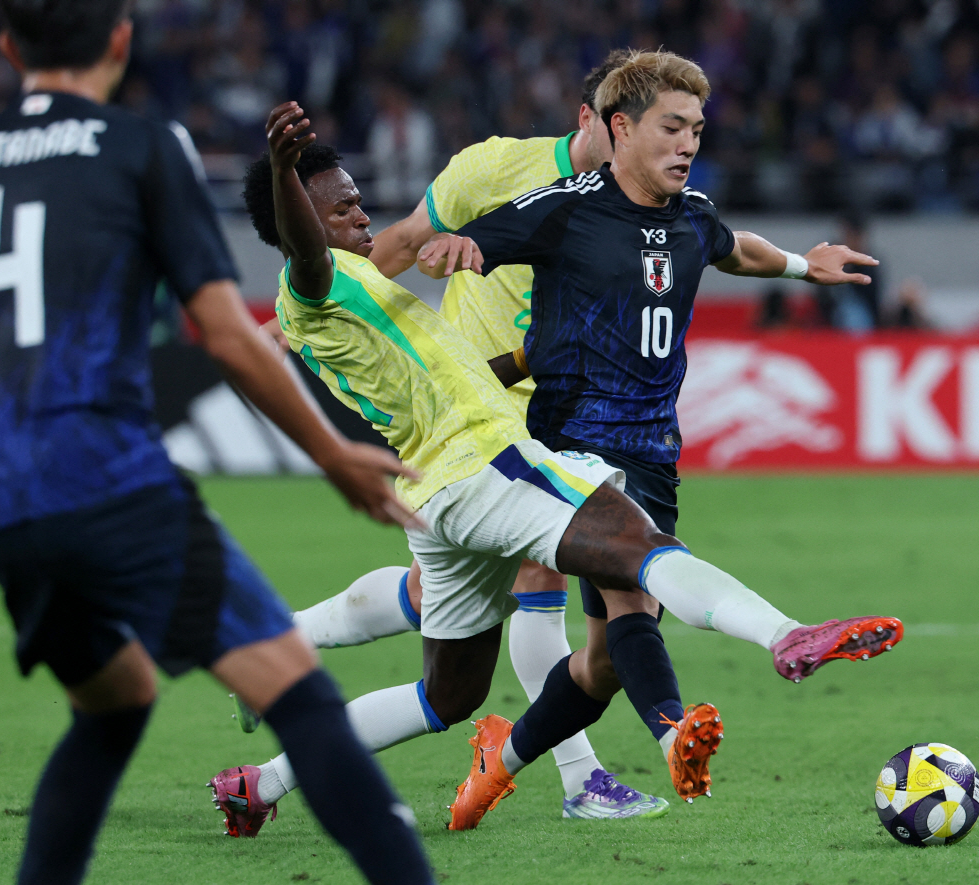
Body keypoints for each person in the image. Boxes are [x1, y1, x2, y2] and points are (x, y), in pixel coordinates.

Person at [214, 99, 902, 837]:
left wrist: (522, 357)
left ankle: (261, 782)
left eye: (358, 204)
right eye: (345, 209)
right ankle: (784, 634)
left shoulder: (351, 291)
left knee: (447, 696)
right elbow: (307, 253)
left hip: (440, 491)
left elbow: (438, 363)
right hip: (484, 462)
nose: (363, 220)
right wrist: (286, 170)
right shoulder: (315, 283)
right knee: (638, 548)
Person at [0, 4, 433, 883]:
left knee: (116, 702)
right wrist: (329, 454)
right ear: (123, 42)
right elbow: (226, 331)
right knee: (303, 701)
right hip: (108, 478)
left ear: (9, 50)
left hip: (0, 497)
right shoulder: (140, 144)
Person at [416, 50, 899, 828]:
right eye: (672, 127)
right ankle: (696, 708)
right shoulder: (566, 206)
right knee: (635, 582)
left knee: (604, 661)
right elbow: (480, 241)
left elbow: (734, 248)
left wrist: (805, 267)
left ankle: (496, 761)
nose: (687, 143)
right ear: (620, 129)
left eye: (697, 130)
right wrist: (461, 247)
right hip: (570, 446)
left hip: (651, 452)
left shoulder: (692, 216)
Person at [248, 52, 668, 823]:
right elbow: (381, 246)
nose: (649, 146)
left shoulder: (651, 202)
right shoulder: (493, 170)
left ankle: (271, 655)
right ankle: (581, 777)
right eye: (633, 128)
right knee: (588, 577)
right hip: (477, 434)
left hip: (543, 411)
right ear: (595, 121)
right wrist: (304, 303)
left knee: (442, 633)